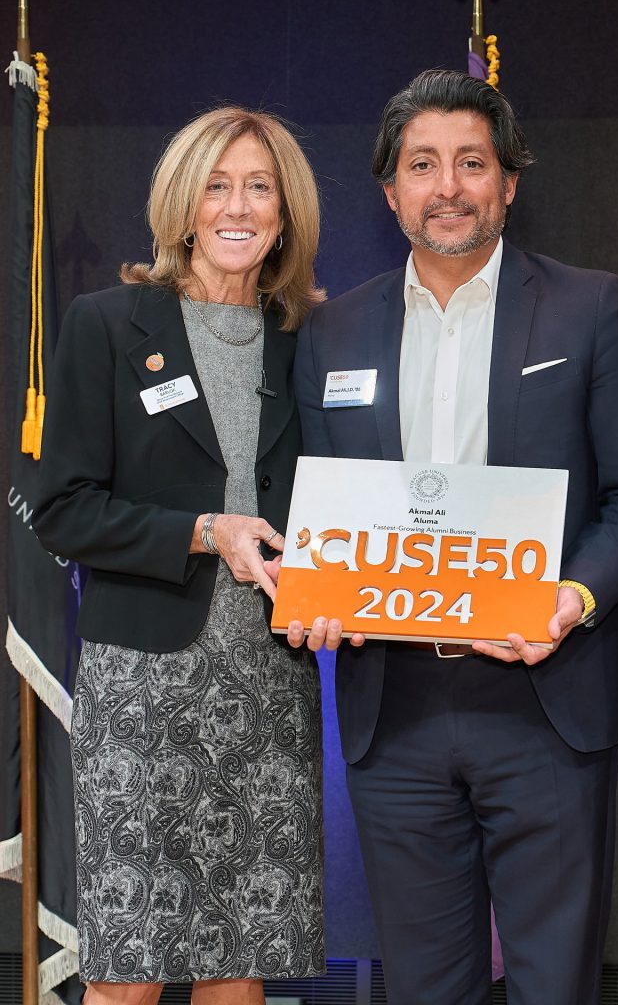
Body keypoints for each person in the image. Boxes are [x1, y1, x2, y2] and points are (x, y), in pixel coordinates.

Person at [287, 69, 618, 1004]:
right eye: (423, 165)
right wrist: (313, 595)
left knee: (554, 983)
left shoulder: (590, 309)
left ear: (508, 183)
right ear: (390, 191)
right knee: (425, 986)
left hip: (545, 697)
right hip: (396, 710)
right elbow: (314, 508)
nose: (447, 185)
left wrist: (571, 601)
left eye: (471, 162)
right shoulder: (331, 331)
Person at [34, 106, 327, 1005]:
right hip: (144, 685)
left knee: (239, 964)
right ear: (183, 204)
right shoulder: (107, 323)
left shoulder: (310, 335)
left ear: (285, 212)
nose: (238, 206)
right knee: (130, 969)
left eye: (259, 187)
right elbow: (62, 510)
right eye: (217, 185)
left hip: (271, 682)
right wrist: (205, 531)